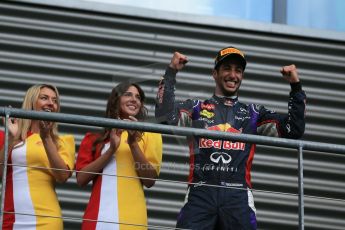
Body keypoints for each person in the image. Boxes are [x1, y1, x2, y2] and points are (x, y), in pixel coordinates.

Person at [155, 47, 306, 230]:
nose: (232, 75)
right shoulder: (196, 108)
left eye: (238, 70)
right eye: (227, 68)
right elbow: (164, 116)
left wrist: (295, 86)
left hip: (238, 195)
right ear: (215, 73)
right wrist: (171, 72)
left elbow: (294, 129)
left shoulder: (254, 114)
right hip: (201, 191)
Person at [76, 82, 163, 230]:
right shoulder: (94, 138)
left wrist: (133, 144)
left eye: (138, 97)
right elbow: (81, 179)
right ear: (116, 99)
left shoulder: (150, 134)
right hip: (97, 219)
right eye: (128, 94)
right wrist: (111, 150)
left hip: (132, 221)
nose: (134, 99)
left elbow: (149, 180)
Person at [0, 84, 75, 229]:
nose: (50, 103)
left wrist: (46, 137)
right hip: (11, 218)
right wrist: (11, 138)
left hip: (46, 220)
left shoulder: (62, 141)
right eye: (44, 98)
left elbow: (62, 176)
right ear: (31, 102)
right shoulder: (9, 137)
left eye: (54, 100)